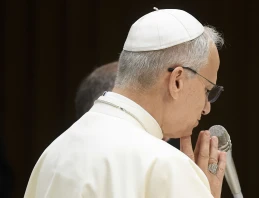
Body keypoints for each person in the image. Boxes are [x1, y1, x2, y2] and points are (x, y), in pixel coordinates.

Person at [24, 9, 227, 198]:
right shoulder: (167, 167)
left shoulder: (54, 153)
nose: (207, 107)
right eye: (207, 91)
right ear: (177, 81)